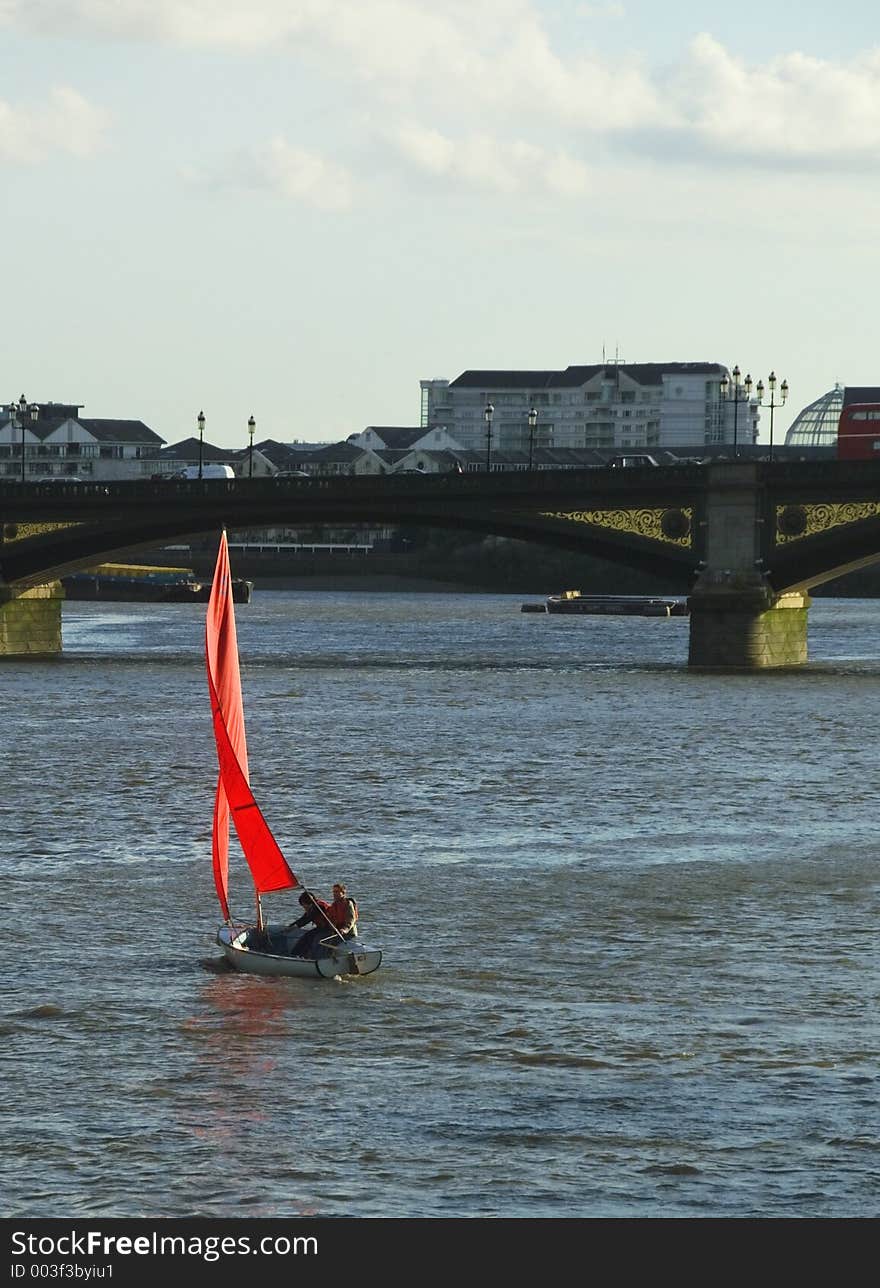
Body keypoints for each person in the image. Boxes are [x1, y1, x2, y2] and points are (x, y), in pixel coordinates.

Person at [286, 891, 335, 959]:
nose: (304, 908)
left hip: (329, 928)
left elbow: (308, 919)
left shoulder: (319, 907)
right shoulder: (311, 908)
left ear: (309, 903)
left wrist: (295, 927)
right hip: (321, 928)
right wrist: (290, 926)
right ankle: (295, 954)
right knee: (305, 937)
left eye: (304, 905)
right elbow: (303, 918)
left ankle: (302, 956)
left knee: (310, 938)